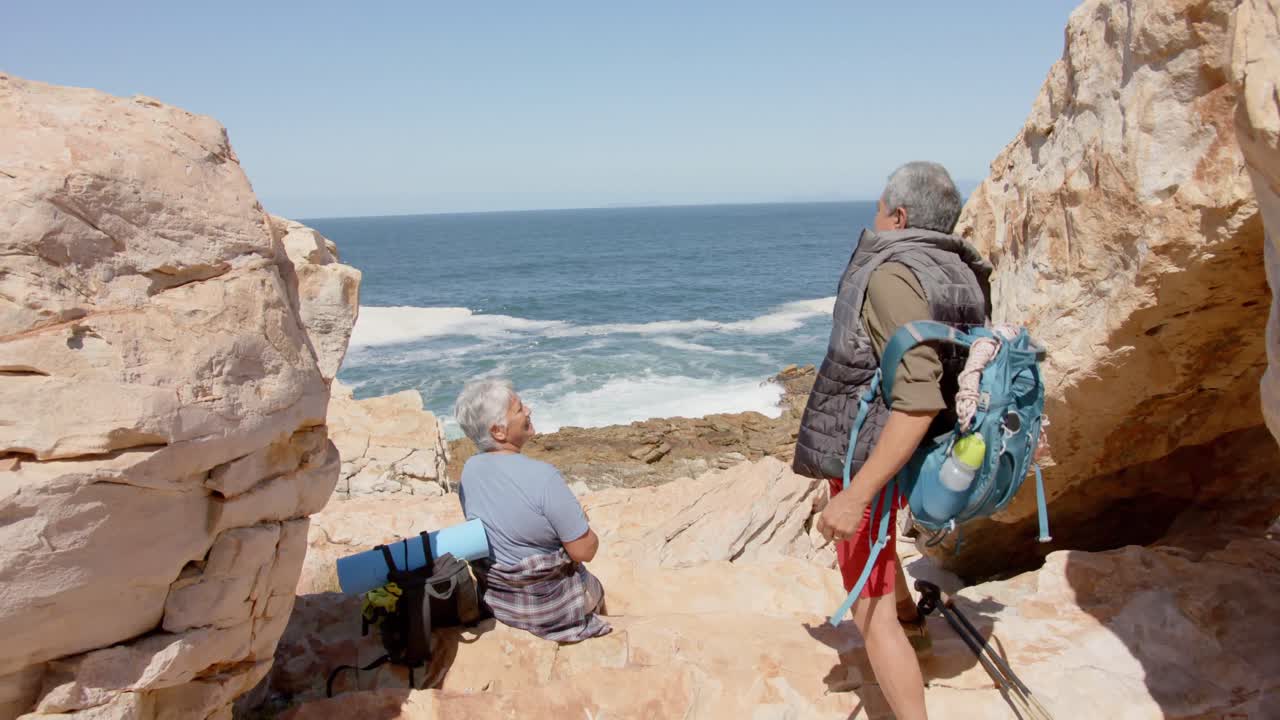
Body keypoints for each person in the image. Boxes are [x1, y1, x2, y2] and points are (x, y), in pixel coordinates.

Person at [793, 162, 992, 720]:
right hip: (931, 447)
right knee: (883, 573)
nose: (875, 217)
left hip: (878, 451)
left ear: (899, 216)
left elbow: (916, 398)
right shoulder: (960, 269)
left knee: (870, 612)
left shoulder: (891, 275)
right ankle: (913, 623)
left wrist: (855, 496)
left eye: (880, 207)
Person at [453, 378, 610, 642]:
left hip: (501, 603)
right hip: (551, 609)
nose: (528, 410)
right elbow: (585, 551)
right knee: (597, 588)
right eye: (519, 409)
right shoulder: (544, 477)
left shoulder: (469, 471)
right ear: (498, 431)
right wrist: (581, 521)